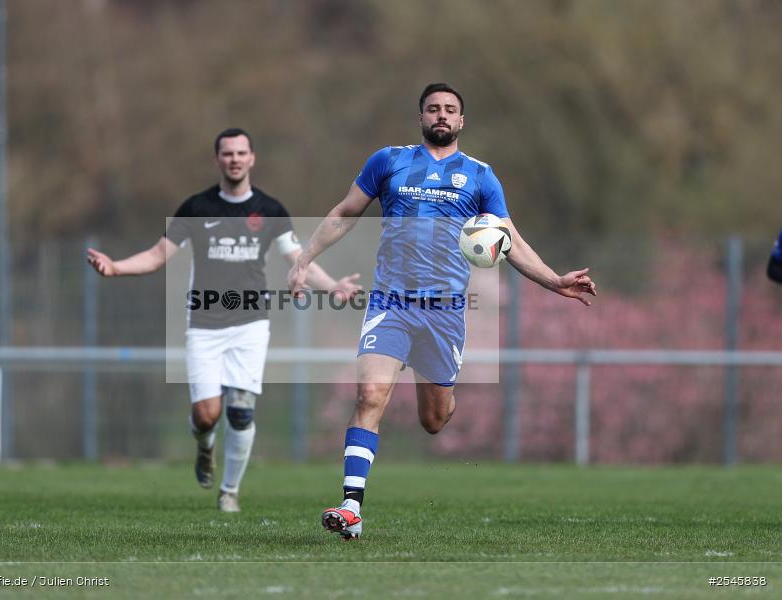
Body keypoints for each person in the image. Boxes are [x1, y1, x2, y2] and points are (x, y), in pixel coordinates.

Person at [287, 83, 597, 540]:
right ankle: (351, 506)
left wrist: (554, 280)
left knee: (433, 420)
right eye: (433, 108)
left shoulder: (480, 176)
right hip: (390, 303)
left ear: (461, 120)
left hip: (445, 312)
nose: (442, 115)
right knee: (370, 394)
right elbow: (345, 212)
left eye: (450, 109)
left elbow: (508, 238)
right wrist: (304, 259)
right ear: (421, 117)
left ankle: (443, 396)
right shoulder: (388, 161)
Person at [88, 128, 360, 512]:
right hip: (204, 325)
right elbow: (156, 256)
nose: (234, 159)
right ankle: (205, 445)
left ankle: (229, 490)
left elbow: (298, 261)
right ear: (217, 159)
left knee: (241, 409)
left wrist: (332, 286)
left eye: (241, 153)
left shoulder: (270, 210)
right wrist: (115, 267)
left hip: (251, 323)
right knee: (207, 415)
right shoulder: (196, 208)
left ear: (252, 158)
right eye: (228, 153)